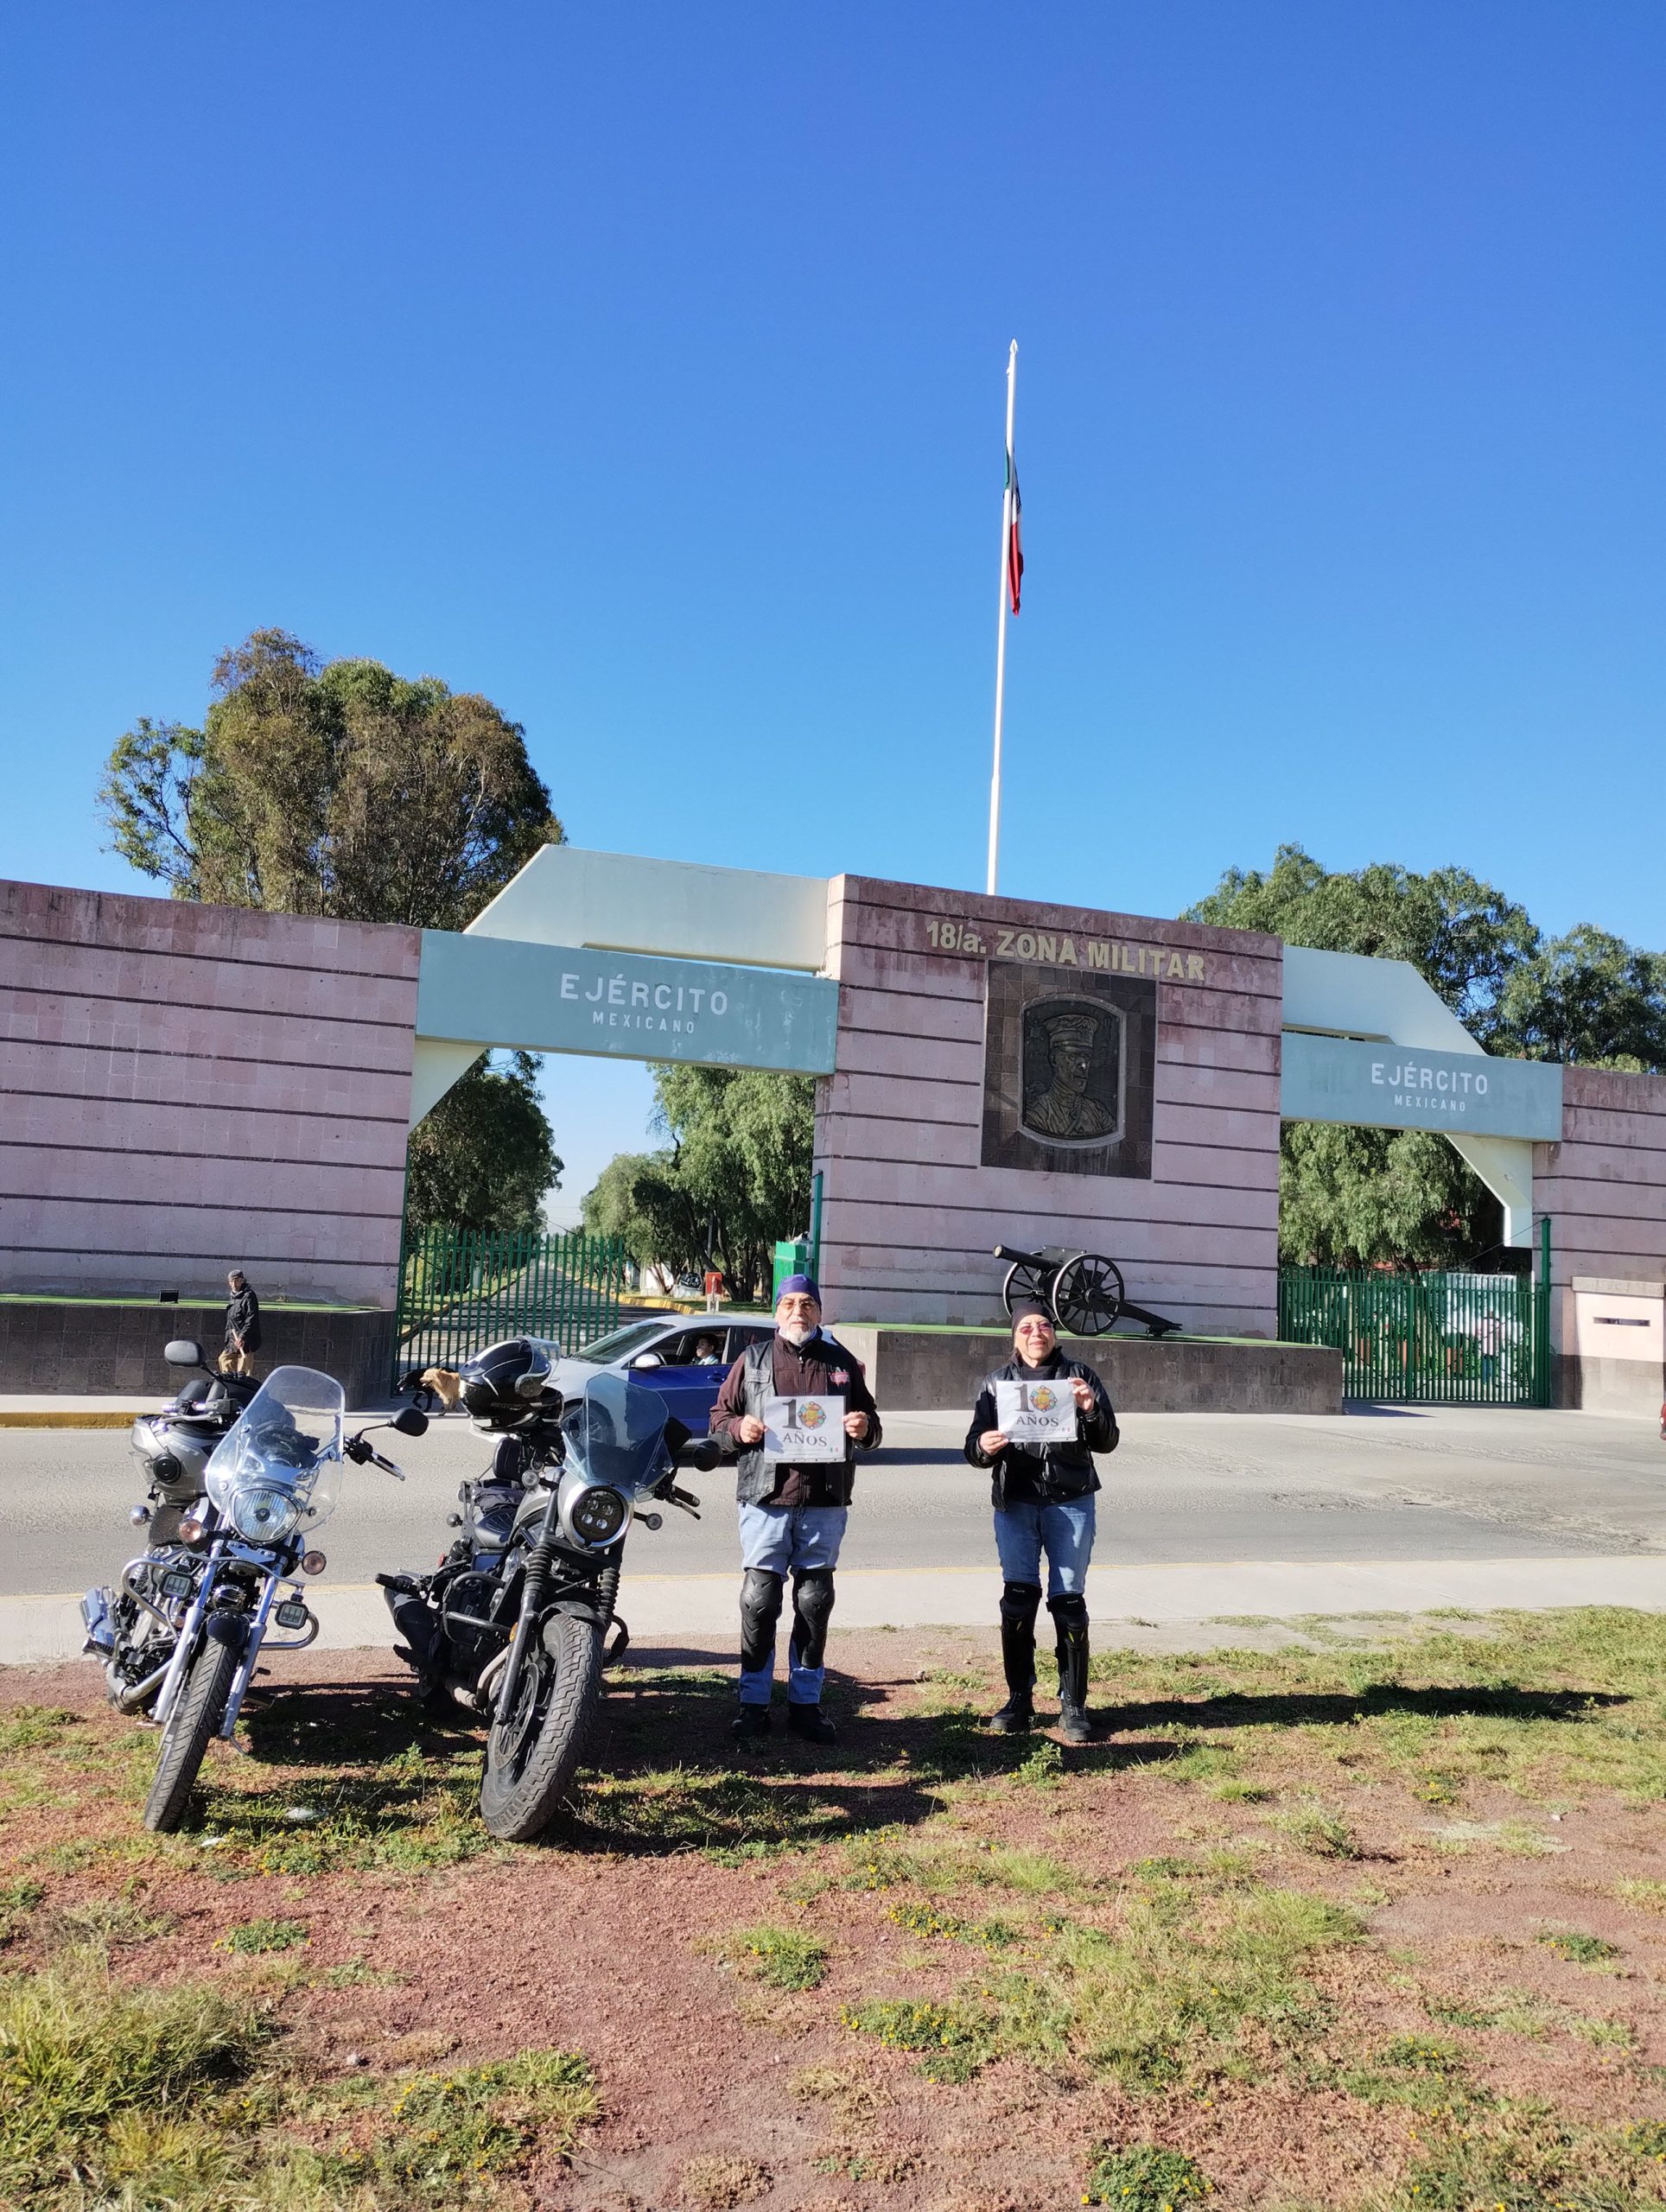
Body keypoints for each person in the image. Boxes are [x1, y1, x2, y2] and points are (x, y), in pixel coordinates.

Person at [709, 1274, 881, 1745]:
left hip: (825, 1501)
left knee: (814, 1602)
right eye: (789, 1304)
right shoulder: (754, 1360)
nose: (798, 1311)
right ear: (776, 1311)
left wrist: (863, 1426)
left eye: (807, 1304)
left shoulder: (842, 1362)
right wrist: (739, 1428)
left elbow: (873, 1427)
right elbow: (718, 1418)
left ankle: (806, 1704)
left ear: (820, 1312)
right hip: (767, 1499)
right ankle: (753, 1704)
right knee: (760, 1602)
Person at [963, 1299, 1117, 1743]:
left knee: (1069, 1603)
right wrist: (985, 1447)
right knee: (1018, 1598)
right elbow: (972, 1447)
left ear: (1055, 1333)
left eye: (1044, 1325)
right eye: (1026, 1327)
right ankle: (1019, 1698)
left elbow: (1108, 1441)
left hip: (1070, 1500)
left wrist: (1089, 1409)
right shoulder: (996, 1384)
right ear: (1015, 1336)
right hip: (1016, 1503)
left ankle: (1074, 1703)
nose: (1036, 1333)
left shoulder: (1079, 1377)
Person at [220, 1270, 262, 1376]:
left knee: (243, 1371)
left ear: (242, 1281)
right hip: (232, 1338)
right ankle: (230, 1384)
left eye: (236, 1281)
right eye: (231, 1281)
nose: (234, 1284)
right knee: (224, 1360)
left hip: (246, 1340)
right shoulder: (233, 1296)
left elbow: (251, 1318)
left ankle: (243, 1389)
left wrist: (243, 1336)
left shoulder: (249, 1295)